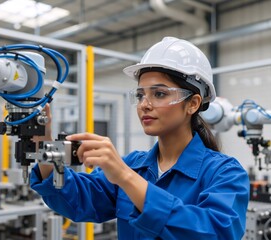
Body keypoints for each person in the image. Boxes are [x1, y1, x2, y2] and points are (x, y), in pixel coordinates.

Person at [30, 37, 249, 239]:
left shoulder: (225, 173)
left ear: (192, 104)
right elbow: (76, 198)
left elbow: (216, 232)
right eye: (141, 94)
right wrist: (44, 142)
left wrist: (126, 177)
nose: (144, 104)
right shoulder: (134, 164)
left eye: (159, 94)